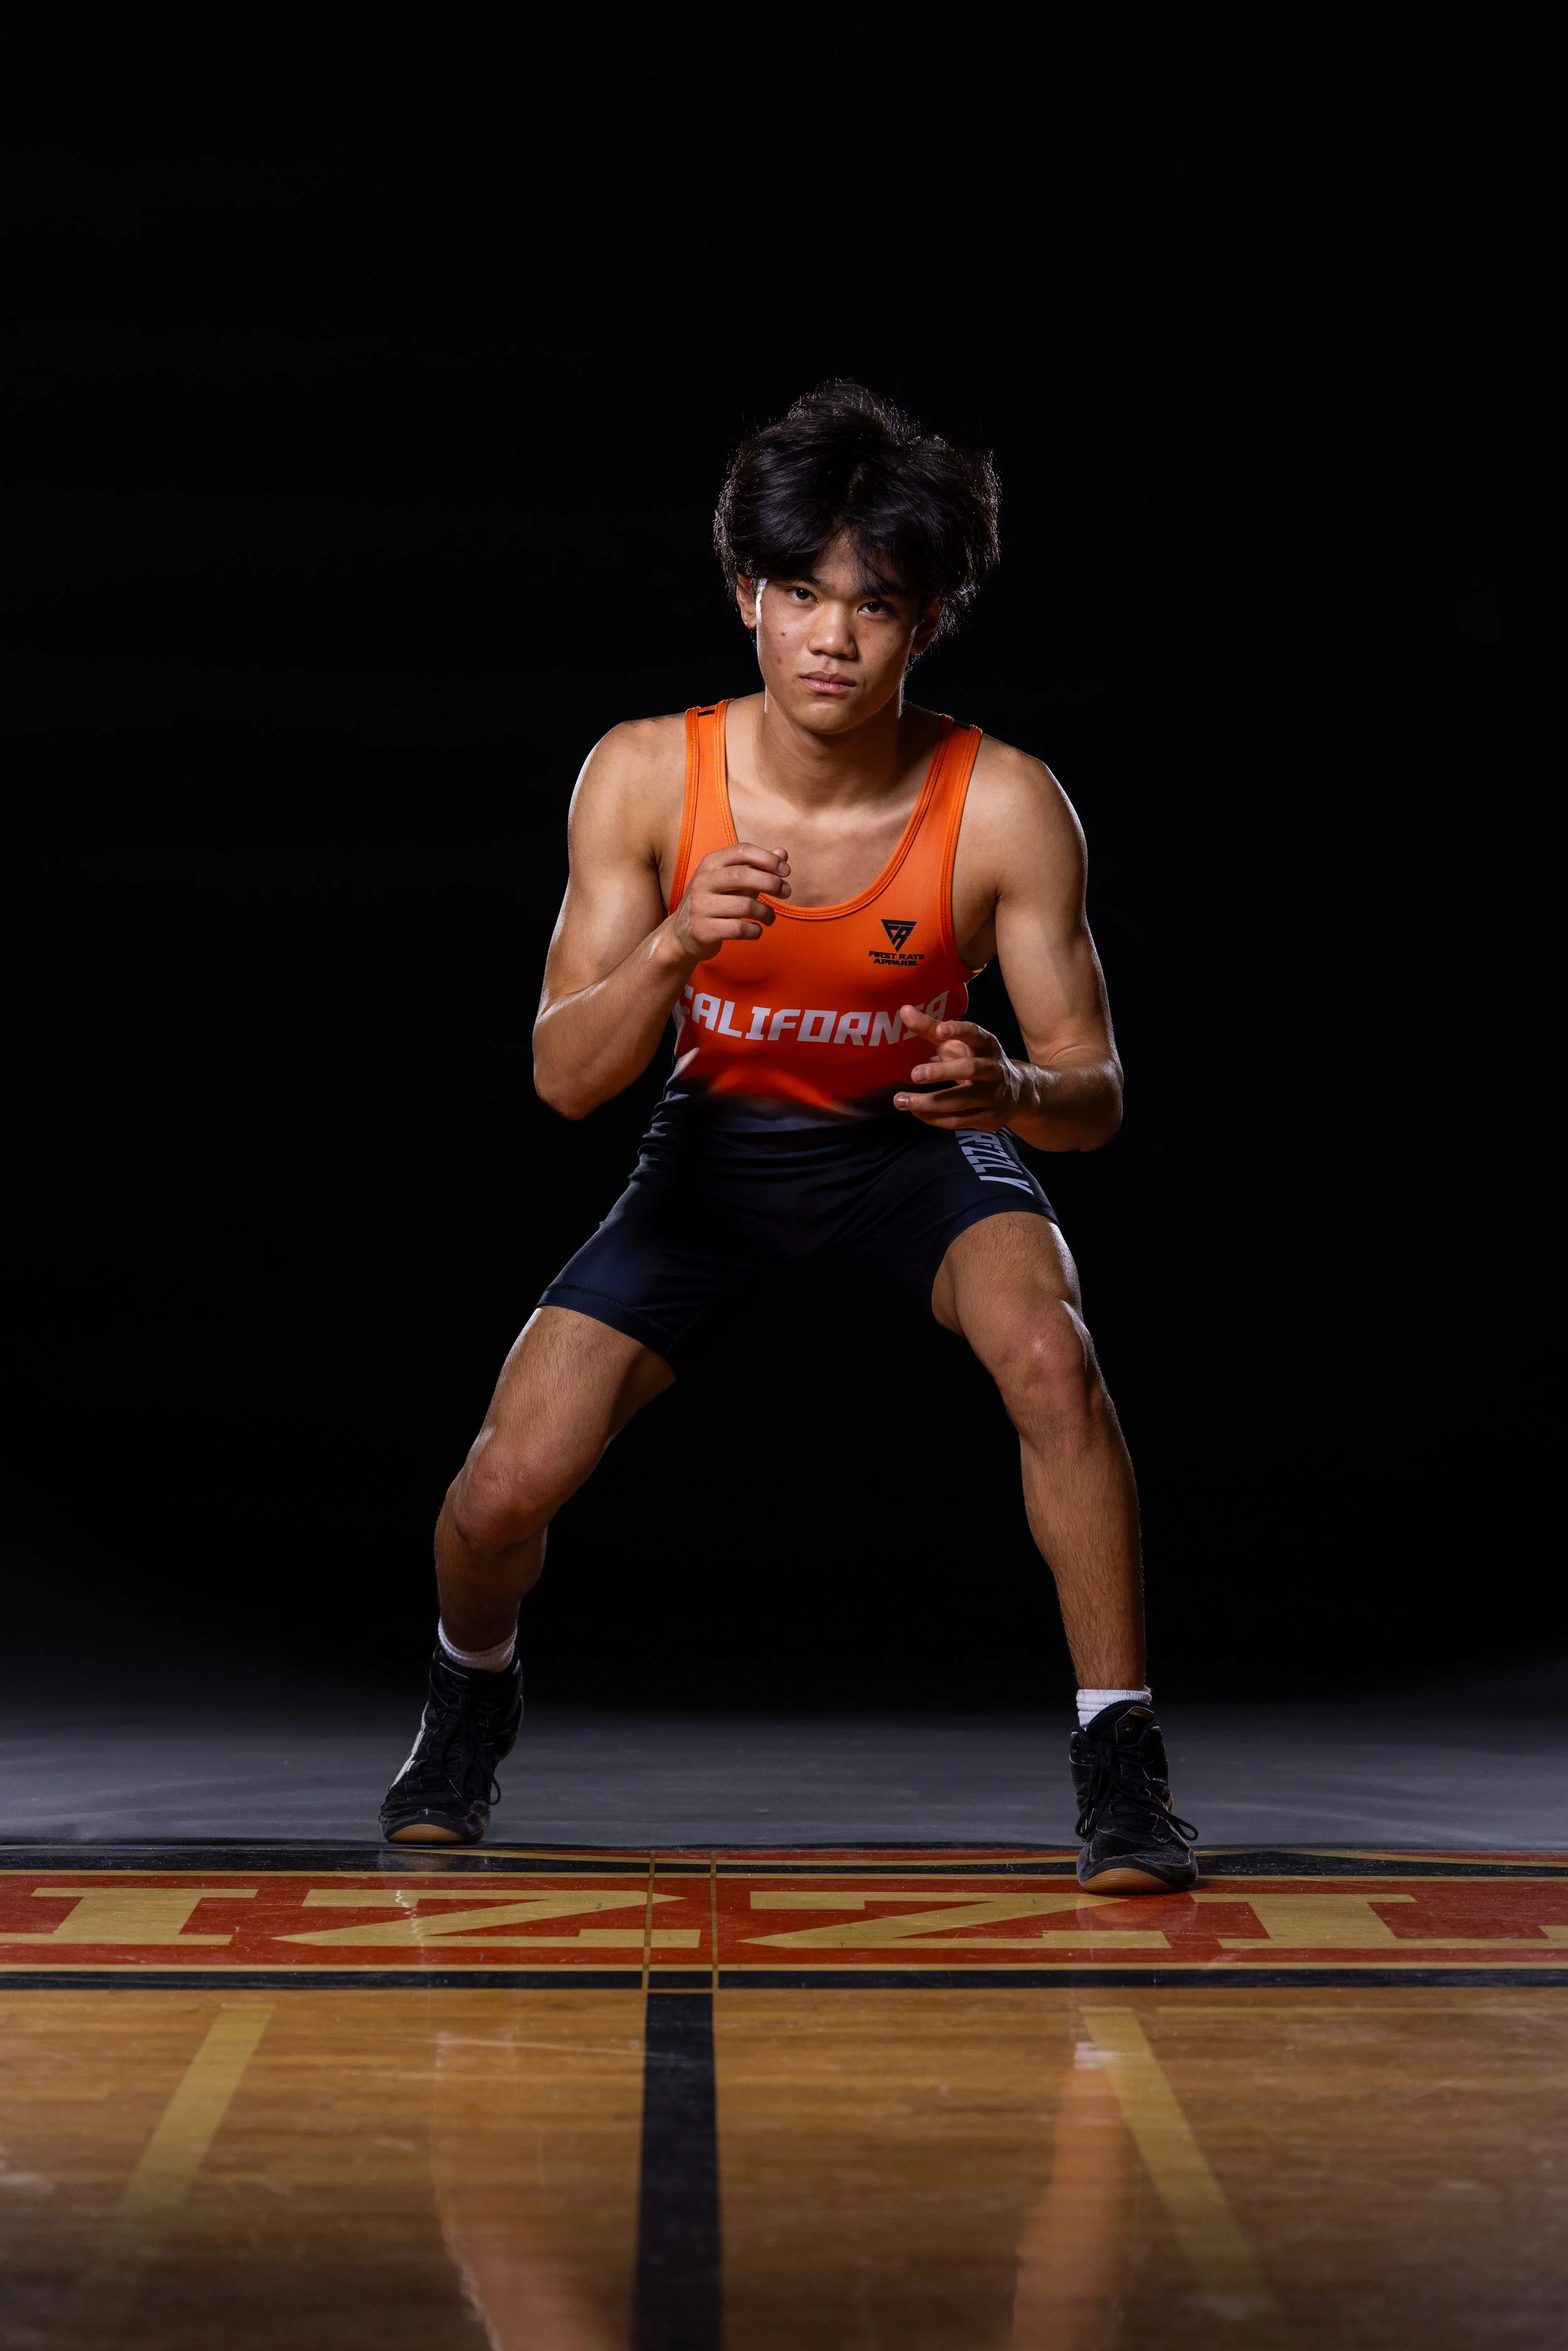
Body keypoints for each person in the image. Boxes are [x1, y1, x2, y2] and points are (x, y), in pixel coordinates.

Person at [380, 383, 1197, 1894]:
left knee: (1053, 1357)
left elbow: (1095, 1094)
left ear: (927, 620)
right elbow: (565, 1078)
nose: (831, 636)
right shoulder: (643, 775)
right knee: (499, 1490)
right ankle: (464, 1696)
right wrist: (672, 950)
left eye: (874, 605)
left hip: (909, 1152)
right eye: (801, 594)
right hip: (715, 1151)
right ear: (744, 595)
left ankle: (1118, 1760)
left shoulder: (1004, 802)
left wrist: (1009, 1090)